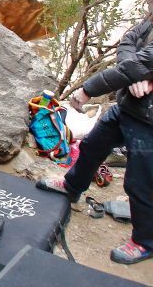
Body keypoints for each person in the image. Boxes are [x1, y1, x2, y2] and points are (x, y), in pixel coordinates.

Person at [37, 18, 153, 265]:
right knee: (92, 146)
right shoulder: (150, 21)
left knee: (140, 181)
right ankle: (72, 186)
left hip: (149, 120)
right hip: (127, 105)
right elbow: (128, 42)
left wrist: (87, 89)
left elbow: (142, 62)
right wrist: (135, 75)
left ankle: (145, 242)